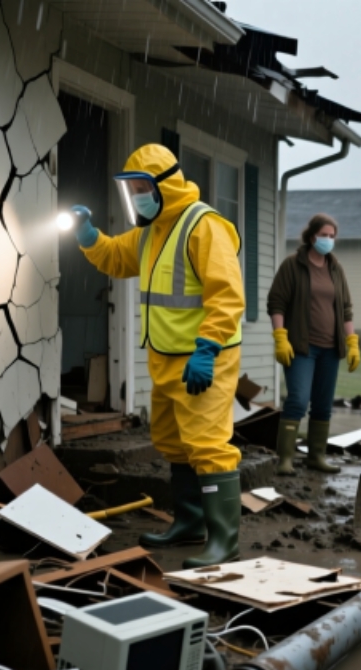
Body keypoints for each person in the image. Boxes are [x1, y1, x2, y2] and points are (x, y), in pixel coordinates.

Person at [70, 144, 244, 570]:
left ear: (165, 184)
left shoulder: (203, 227)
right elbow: (116, 257)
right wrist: (89, 237)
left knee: (207, 445)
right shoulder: (152, 231)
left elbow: (227, 294)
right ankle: (190, 523)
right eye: (131, 189)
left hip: (204, 357)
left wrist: (208, 348)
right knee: (173, 443)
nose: (136, 196)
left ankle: (224, 540)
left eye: (142, 187)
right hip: (166, 359)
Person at [267, 213, 360, 475]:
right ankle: (285, 459)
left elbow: (346, 308)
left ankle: (315, 457)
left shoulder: (335, 269)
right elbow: (277, 303)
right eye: (324, 235)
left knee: (322, 403)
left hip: (331, 349)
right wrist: (280, 336)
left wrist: (352, 342)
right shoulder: (292, 265)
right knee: (298, 399)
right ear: (311, 236)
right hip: (301, 347)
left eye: (332, 236)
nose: (328, 240)